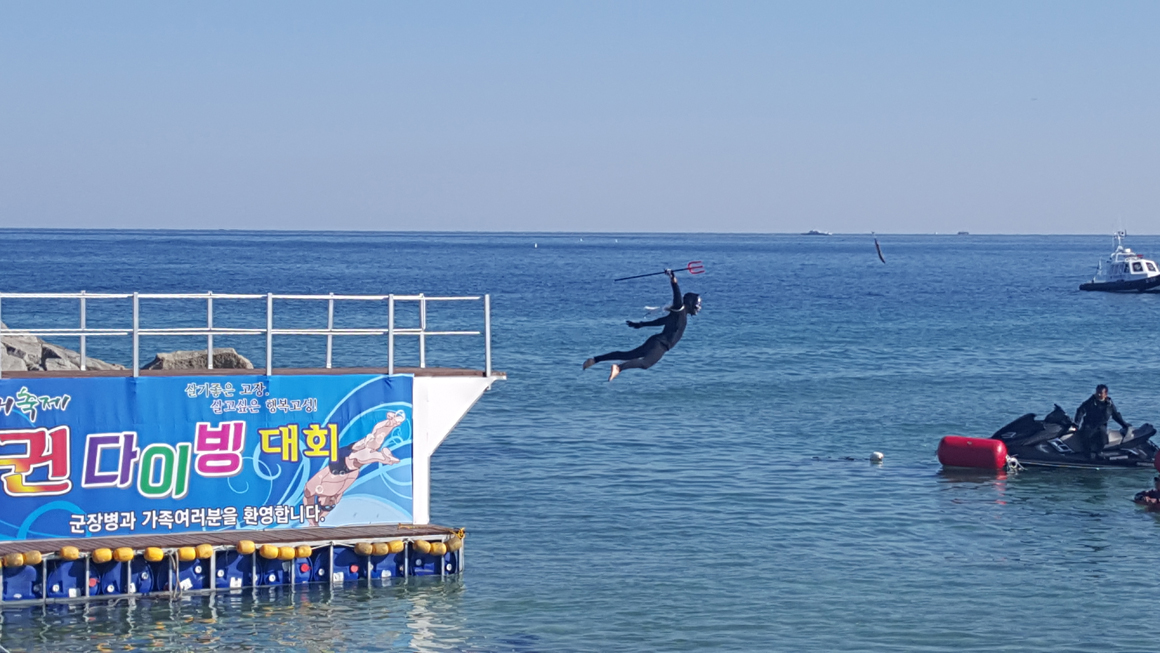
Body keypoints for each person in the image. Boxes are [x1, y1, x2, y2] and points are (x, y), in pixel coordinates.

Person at [582, 269, 700, 381]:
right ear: (690, 304)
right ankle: (618, 368)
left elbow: (660, 321)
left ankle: (594, 360)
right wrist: (673, 280)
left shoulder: (678, 315)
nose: (698, 307)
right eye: (697, 304)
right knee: (645, 364)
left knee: (629, 355)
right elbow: (677, 298)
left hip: (655, 341)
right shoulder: (679, 311)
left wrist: (641, 324)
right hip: (660, 345)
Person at [303, 411, 405, 526]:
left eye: (326, 504)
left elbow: (308, 498)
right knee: (373, 443)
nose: (330, 503)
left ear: (319, 500)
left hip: (338, 466)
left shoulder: (315, 488)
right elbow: (326, 509)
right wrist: (322, 515)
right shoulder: (336, 497)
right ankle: (391, 423)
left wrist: (312, 522)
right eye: (330, 506)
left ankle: (383, 458)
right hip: (351, 466)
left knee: (356, 458)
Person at [1073, 384, 1130, 458]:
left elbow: (1116, 415)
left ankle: (1099, 452)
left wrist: (1124, 425)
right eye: (1097, 392)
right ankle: (1087, 452)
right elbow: (1080, 411)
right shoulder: (1091, 401)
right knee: (1087, 433)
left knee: (1102, 434)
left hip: (1101, 425)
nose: (1098, 394)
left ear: (1105, 394)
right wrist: (1076, 423)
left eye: (1101, 393)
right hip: (1089, 424)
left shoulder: (1109, 404)